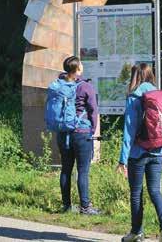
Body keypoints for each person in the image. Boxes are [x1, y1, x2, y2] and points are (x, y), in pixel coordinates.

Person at [117, 64, 162, 242]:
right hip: (158, 151)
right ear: (151, 75)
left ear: (135, 77)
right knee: (155, 191)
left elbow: (129, 130)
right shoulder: (161, 96)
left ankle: (137, 233)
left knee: (136, 193)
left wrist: (122, 159)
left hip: (137, 153)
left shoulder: (134, 97)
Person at [57, 56, 100, 215]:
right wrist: (92, 130)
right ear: (77, 69)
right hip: (82, 134)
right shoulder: (86, 87)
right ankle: (85, 207)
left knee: (66, 169)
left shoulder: (59, 85)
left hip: (63, 133)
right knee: (83, 171)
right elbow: (93, 111)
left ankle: (67, 206)